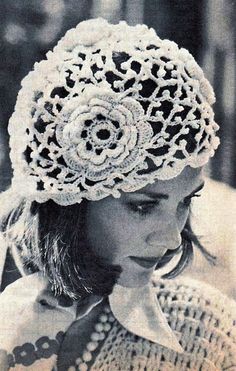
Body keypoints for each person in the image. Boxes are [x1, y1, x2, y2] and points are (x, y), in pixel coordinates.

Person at [0, 18, 235, 371]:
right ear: (71, 198)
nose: (172, 239)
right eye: (143, 206)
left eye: (186, 201)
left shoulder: (207, 335)